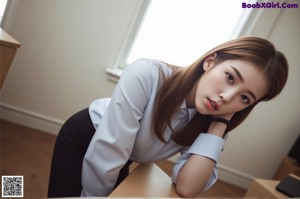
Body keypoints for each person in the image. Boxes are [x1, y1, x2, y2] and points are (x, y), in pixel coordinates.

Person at [47, 36, 289, 198]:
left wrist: (220, 125)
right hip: (85, 137)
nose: (228, 97)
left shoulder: (214, 116)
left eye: (245, 98)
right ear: (210, 61)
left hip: (124, 157)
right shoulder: (147, 74)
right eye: (230, 77)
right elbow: (109, 152)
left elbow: (187, 187)